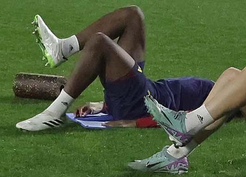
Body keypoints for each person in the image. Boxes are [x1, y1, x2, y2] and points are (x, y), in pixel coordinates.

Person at [14, 8, 211, 139]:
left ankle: (54, 113)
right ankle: (63, 48)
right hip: (142, 91)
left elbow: (186, 119)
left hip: (141, 104)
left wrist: (135, 123)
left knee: (100, 43)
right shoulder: (225, 87)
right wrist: (102, 105)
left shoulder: (223, 103)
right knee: (132, 16)